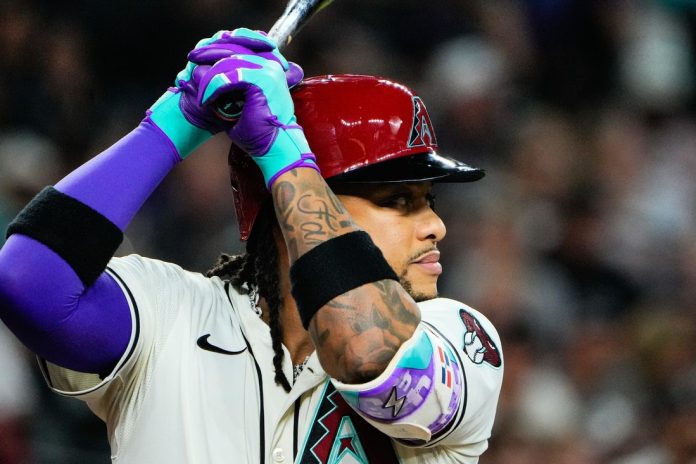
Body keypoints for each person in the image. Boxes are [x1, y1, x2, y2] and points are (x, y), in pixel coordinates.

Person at [0, 28, 503, 463]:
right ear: (287, 204)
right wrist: (175, 121)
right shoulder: (170, 313)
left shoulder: (459, 340)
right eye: (398, 201)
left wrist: (282, 150)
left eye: (427, 200)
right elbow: (27, 283)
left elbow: (366, 351)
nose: (435, 225)